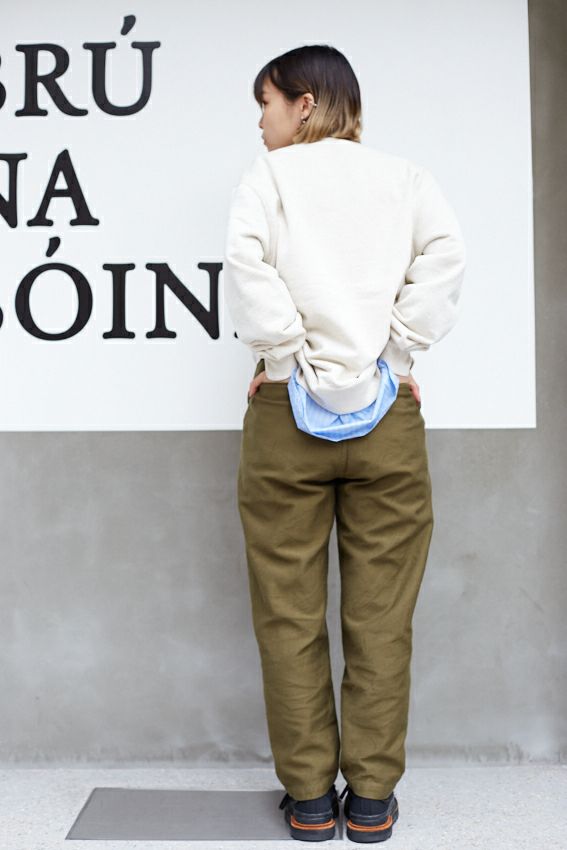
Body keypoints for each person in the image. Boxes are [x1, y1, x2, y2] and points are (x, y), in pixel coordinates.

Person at [223, 44, 466, 843]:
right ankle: (369, 803)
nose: (259, 121)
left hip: (283, 418)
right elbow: (445, 261)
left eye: (265, 103)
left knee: (287, 615)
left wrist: (285, 362)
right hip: (386, 415)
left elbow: (246, 271)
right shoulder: (405, 180)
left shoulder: (268, 179)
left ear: (303, 103)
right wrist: (394, 359)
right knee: (381, 617)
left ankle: (308, 801)